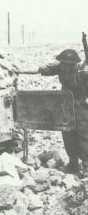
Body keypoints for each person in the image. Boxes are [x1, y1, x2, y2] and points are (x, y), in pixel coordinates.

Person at [18, 49, 88, 177]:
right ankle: (73, 164)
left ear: (73, 64)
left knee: (83, 137)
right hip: (65, 106)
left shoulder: (83, 73)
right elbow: (41, 69)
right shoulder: (60, 67)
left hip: (80, 108)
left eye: (66, 63)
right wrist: (20, 70)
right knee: (67, 134)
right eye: (62, 63)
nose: (62, 65)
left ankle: (86, 166)